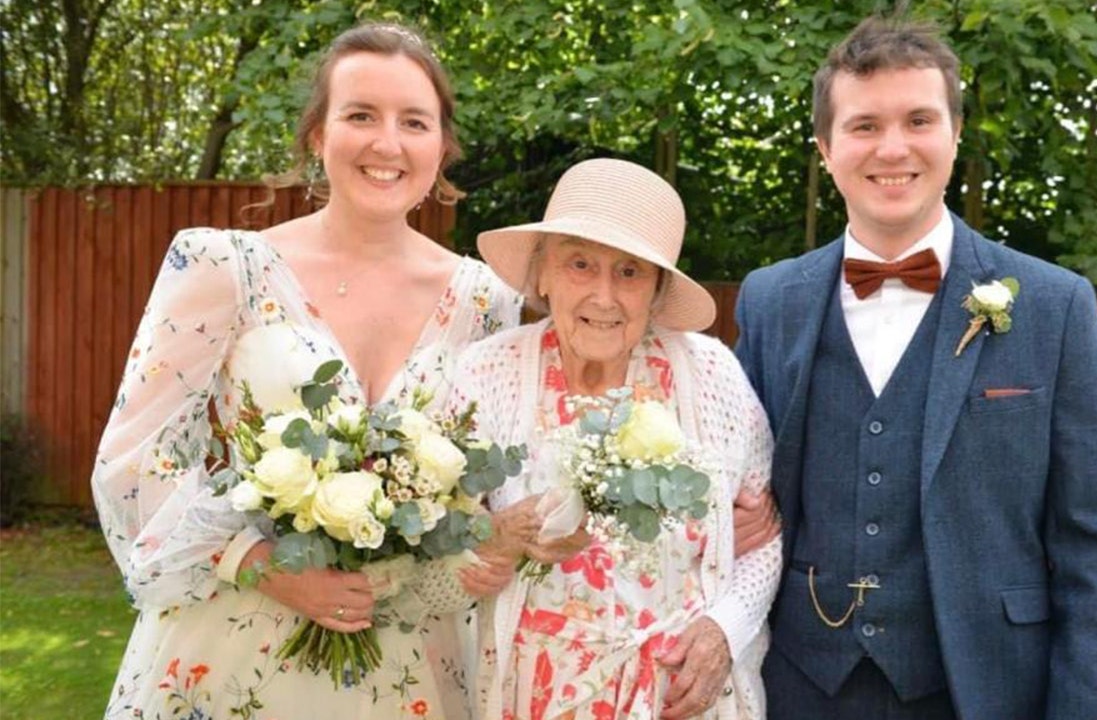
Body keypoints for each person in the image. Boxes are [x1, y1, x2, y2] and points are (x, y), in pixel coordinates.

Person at [91, 23, 524, 719]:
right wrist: (263, 567)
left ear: (442, 147)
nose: (387, 143)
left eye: (414, 122)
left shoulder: (487, 301)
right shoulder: (222, 267)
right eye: (360, 116)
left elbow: (499, 486)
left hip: (412, 665)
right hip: (235, 649)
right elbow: (135, 462)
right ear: (317, 136)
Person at [732, 16, 1097, 720]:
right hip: (798, 684)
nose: (893, 148)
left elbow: (1096, 551)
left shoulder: (1053, 305)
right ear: (826, 149)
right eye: (864, 126)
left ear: (955, 135)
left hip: (984, 688)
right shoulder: (771, 299)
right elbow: (735, 481)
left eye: (919, 119)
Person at [448, 157, 783, 720]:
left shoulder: (710, 375)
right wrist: (499, 537)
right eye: (580, 264)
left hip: (676, 698)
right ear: (543, 274)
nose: (605, 296)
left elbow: (762, 537)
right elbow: (439, 552)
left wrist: (723, 633)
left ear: (656, 291)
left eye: (630, 272)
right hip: (529, 695)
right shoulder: (487, 375)